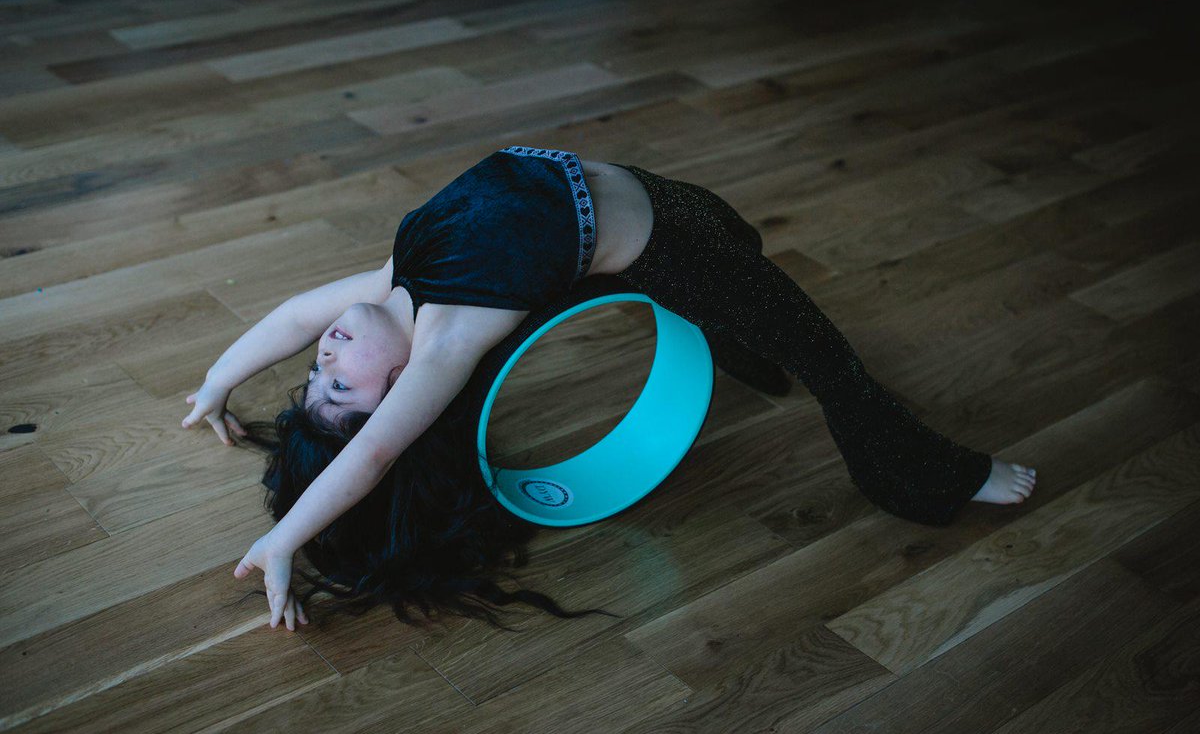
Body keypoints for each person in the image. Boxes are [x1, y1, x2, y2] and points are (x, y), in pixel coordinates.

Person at [182, 146, 1037, 633]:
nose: (324, 355)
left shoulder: (395, 282)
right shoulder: (441, 345)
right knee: (819, 349)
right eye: (341, 383)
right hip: (667, 246)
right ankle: (929, 472)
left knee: (742, 241)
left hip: (653, 188)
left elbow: (293, 313)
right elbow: (370, 454)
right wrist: (288, 541)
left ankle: (735, 342)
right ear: (402, 388)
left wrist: (219, 382)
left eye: (314, 372)